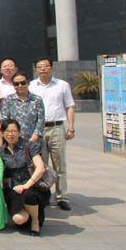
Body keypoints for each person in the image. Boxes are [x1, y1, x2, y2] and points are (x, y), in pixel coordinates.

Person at [29, 56, 75, 211]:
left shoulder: (62, 85)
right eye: (39, 66)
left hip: (57, 127)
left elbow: (69, 106)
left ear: (51, 68)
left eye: (45, 66)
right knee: (40, 164)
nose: (43, 68)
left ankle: (62, 196)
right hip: (38, 129)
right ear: (36, 69)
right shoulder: (31, 86)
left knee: (59, 163)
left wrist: (71, 128)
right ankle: (44, 195)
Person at [0, 119, 50, 236]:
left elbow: (40, 168)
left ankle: (35, 222)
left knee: (29, 195)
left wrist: (26, 185)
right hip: (15, 191)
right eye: (7, 131)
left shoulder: (29, 146)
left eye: (14, 131)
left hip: (34, 187)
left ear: (19, 132)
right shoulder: (1, 152)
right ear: (2, 133)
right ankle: (31, 213)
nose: (10, 134)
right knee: (18, 219)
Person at [0, 72, 45, 143]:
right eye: (16, 84)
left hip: (33, 141)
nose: (20, 86)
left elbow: (40, 121)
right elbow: (5, 120)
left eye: (23, 83)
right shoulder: (7, 100)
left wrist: (34, 138)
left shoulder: (37, 100)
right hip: (13, 141)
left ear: (28, 83)